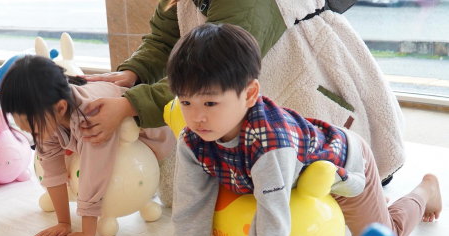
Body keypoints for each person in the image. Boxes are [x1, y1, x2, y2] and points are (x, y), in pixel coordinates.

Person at [162, 24, 442, 236]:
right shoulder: (193, 139)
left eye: (210, 103)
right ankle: (376, 202)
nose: (197, 117)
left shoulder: (269, 144)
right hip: (297, 171)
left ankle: (425, 190)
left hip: (342, 163)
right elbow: (191, 199)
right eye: (186, 102)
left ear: (250, 93)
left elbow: (272, 215)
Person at [81, 0, 405, 193]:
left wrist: (131, 104)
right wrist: (134, 72)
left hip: (308, 93)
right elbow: (165, 39)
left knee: (327, 186)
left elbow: (212, 69)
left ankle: (422, 194)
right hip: (251, 105)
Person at [0, 55, 174, 236]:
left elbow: (93, 174)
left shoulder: (92, 119)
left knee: (171, 198)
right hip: (117, 142)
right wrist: (63, 222)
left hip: (158, 137)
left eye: (30, 124)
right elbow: (52, 168)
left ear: (61, 108)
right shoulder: (46, 114)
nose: (27, 130)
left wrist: (86, 234)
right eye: (18, 120)